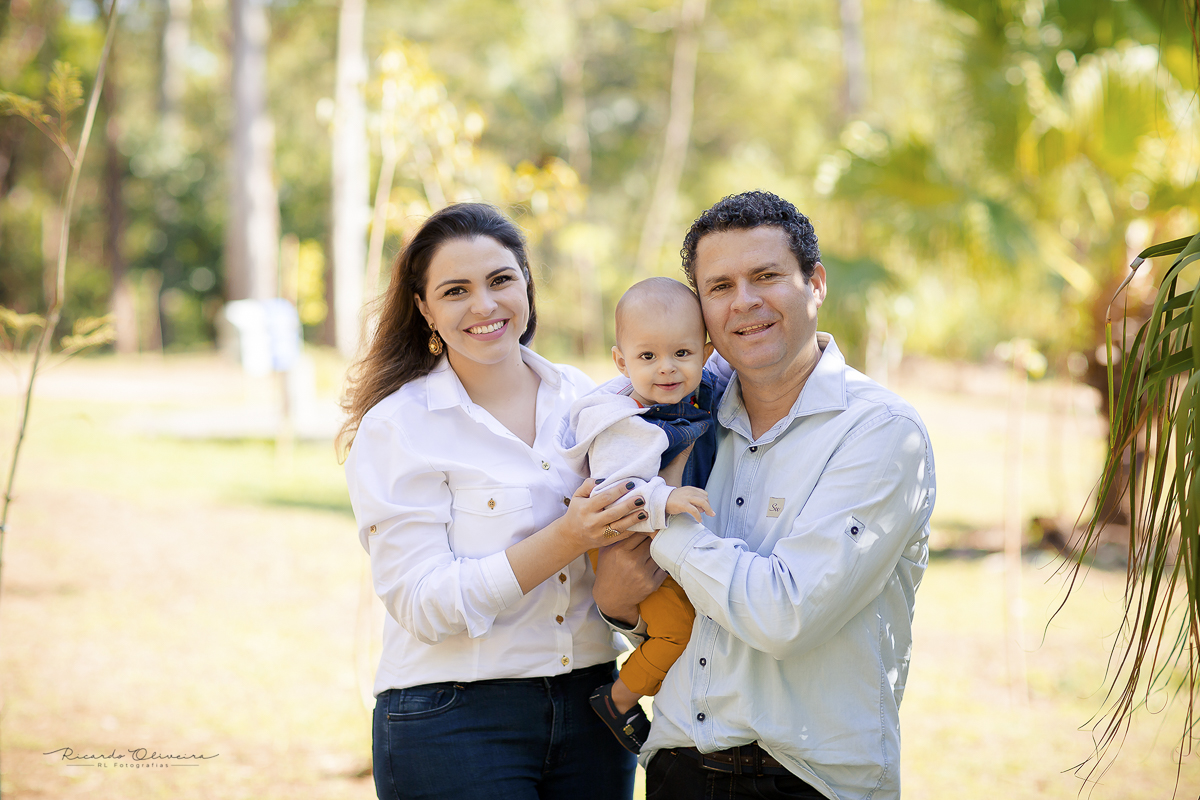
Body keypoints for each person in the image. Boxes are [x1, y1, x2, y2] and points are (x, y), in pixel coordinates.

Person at [593, 191, 936, 800]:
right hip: (678, 766)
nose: (744, 301)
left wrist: (656, 517)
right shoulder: (681, 419)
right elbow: (653, 600)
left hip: (805, 779)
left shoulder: (880, 433)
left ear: (816, 284)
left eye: (767, 276)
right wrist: (620, 605)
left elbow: (785, 617)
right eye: (720, 286)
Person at [339, 202, 646, 800]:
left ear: (526, 283)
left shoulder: (588, 399)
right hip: (454, 720)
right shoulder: (399, 427)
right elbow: (422, 604)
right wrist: (568, 536)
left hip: (595, 709)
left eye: (500, 280)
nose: (484, 305)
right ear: (424, 308)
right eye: (455, 290)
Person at [556, 277, 718, 754]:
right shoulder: (622, 422)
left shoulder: (688, 397)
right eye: (648, 356)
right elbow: (612, 492)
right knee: (678, 631)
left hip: (655, 546)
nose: (666, 367)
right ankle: (619, 699)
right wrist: (665, 499)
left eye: (682, 353)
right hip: (625, 546)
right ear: (622, 361)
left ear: (707, 354)